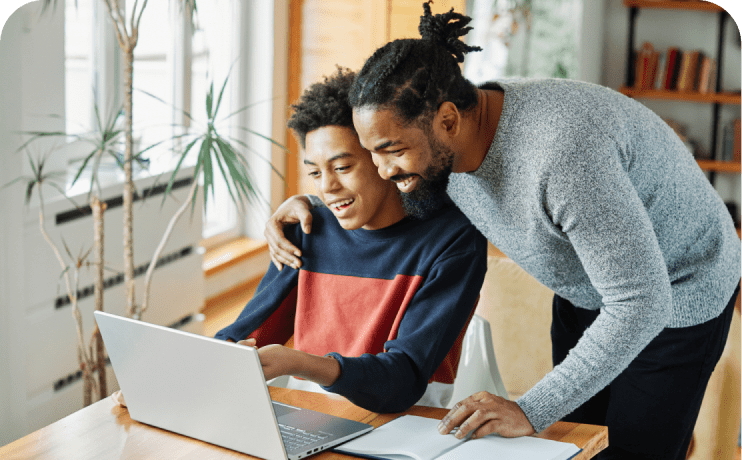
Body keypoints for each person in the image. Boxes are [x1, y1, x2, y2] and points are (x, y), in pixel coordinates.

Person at [263, 3, 742, 459]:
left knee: (636, 450)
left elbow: (641, 301)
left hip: (677, 290)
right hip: (589, 286)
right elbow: (388, 206)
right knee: (572, 443)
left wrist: (529, 408)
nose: (383, 170)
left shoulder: (561, 157)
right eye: (373, 154)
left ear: (447, 119)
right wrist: (313, 207)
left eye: (391, 151)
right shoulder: (444, 141)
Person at [216, 68, 488, 413]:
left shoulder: (452, 242)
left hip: (405, 426)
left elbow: (402, 381)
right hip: (312, 419)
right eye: (315, 172)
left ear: (383, 157)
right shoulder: (307, 229)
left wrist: (301, 363)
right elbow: (241, 338)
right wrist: (166, 382)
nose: (326, 187)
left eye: (342, 167)